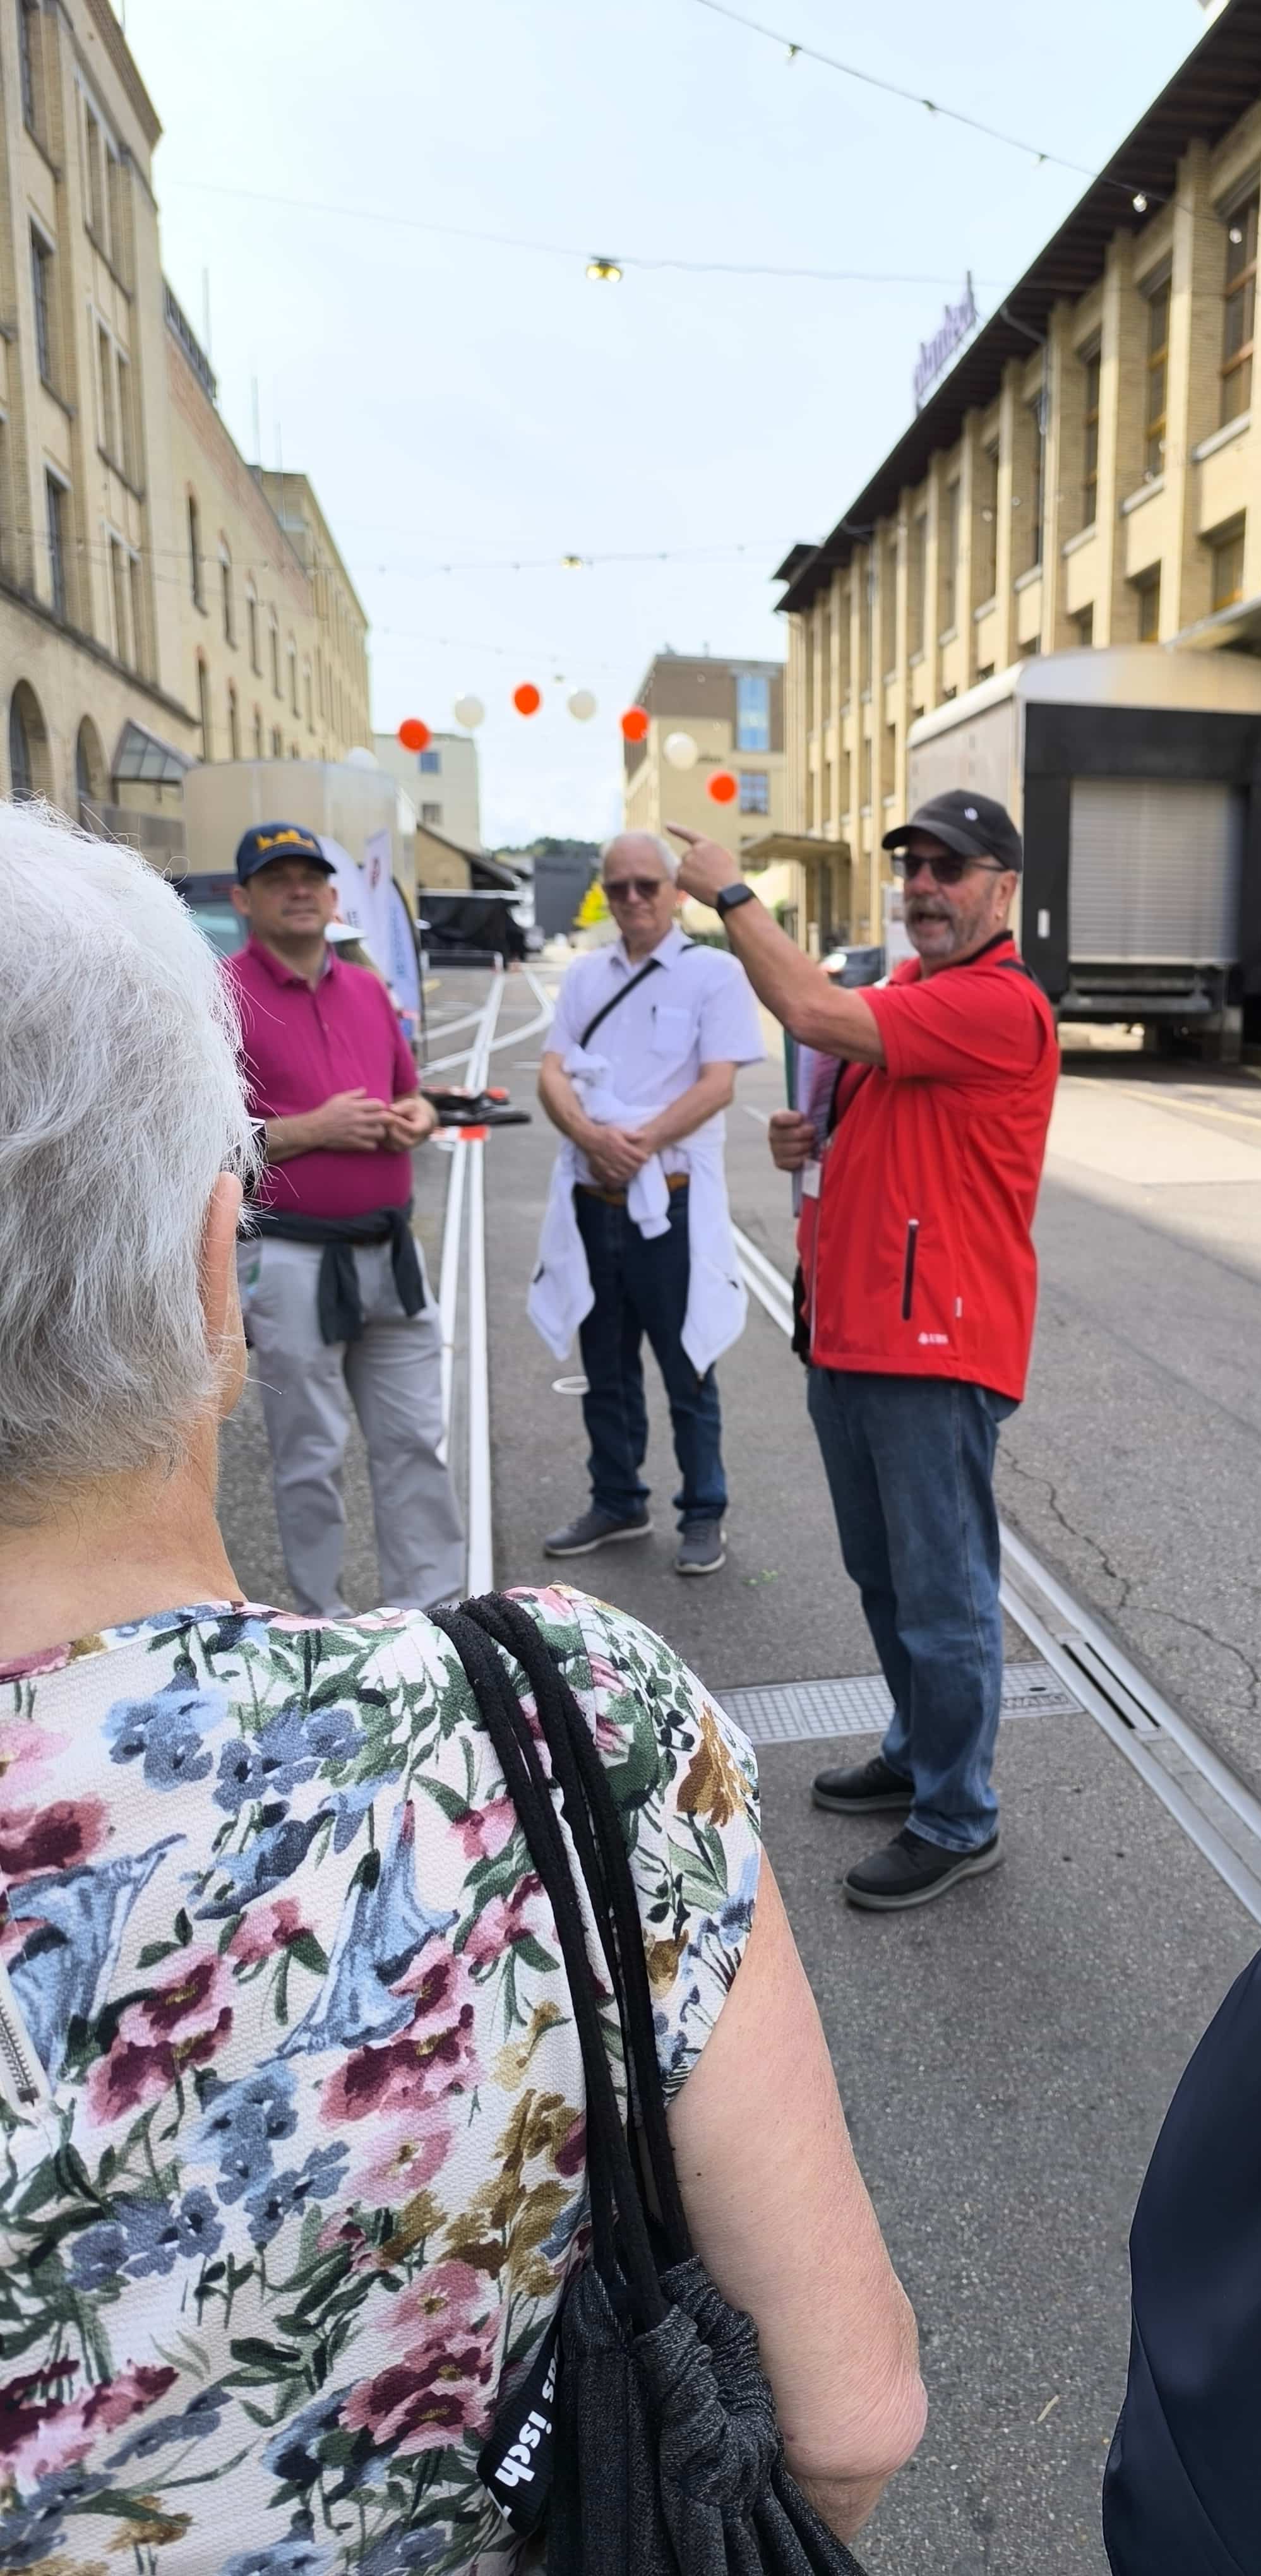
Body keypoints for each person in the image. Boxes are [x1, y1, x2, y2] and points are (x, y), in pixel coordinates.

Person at [0, 808, 924, 2561]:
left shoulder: (373, 986)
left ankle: (671, 1512)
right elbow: (847, 2420)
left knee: (553, 1418)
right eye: (628, 885)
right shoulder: (576, 1724)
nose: (635, 902)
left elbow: (758, 1055)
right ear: (212, 1259)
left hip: (581, 1214)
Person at [670, 792, 1059, 1912]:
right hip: (853, 1330)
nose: (924, 886)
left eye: (950, 867)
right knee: (885, 1578)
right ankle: (918, 1750)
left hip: (934, 1344)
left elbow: (807, 1006)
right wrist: (812, 1137)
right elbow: (872, 1103)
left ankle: (958, 1815)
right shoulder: (913, 997)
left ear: (1002, 889)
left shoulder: (998, 1002)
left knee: (943, 1595)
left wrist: (731, 891)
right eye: (912, 867)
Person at [224, 821, 465, 1618]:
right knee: (310, 1454)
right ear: (244, 899)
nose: (298, 891)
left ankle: (431, 1615)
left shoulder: (366, 989)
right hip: (291, 1259)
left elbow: (412, 1093)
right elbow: (198, 1143)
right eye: (277, 879)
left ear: (333, 897)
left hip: (390, 1251)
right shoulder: (219, 997)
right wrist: (312, 1129)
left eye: (310, 879)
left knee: (415, 1442)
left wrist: (419, 1118)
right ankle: (320, 1622)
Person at [532, 833, 765, 1577]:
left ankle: (704, 1511)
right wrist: (588, 1136)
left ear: (675, 891)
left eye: (647, 885)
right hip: (592, 1198)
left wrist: (635, 1144)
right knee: (604, 1364)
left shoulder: (714, 973)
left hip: (670, 1201)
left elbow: (719, 1084)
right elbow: (551, 1072)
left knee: (687, 1362)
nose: (632, 898)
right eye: (619, 887)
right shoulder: (584, 976)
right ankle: (618, 1500)